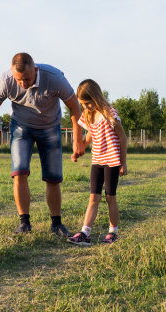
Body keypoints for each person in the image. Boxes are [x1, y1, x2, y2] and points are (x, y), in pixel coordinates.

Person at [0, 52, 85, 237]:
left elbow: (74, 106)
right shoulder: (6, 80)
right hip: (21, 128)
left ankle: (56, 223)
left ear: (35, 69)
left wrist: (78, 139)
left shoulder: (54, 77)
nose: (23, 84)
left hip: (50, 127)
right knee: (19, 173)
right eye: (19, 79)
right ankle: (24, 223)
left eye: (27, 79)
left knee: (53, 178)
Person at [67, 79, 128, 246]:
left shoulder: (110, 113)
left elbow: (122, 138)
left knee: (110, 197)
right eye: (83, 104)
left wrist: (124, 163)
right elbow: (90, 135)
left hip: (112, 160)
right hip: (97, 160)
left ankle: (112, 233)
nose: (86, 107)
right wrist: (79, 150)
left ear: (96, 97)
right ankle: (85, 233)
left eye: (88, 103)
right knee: (93, 198)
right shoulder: (89, 115)